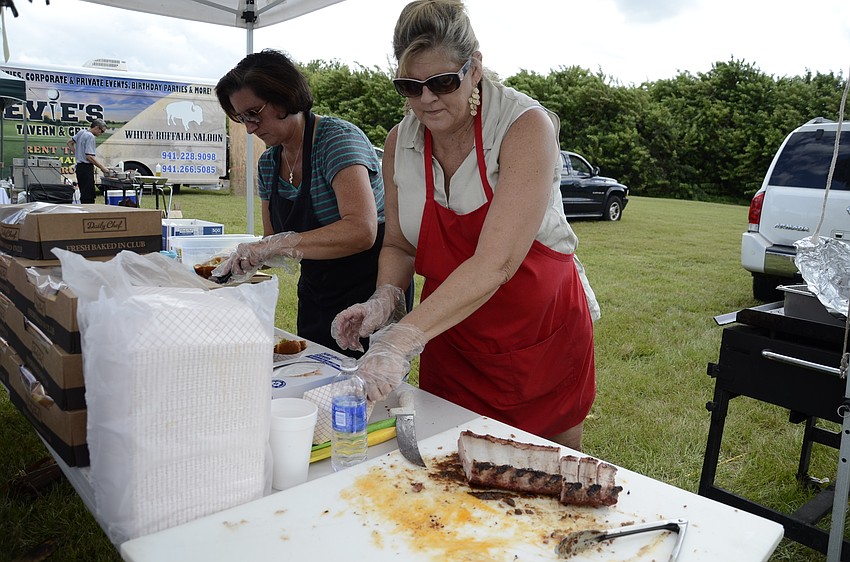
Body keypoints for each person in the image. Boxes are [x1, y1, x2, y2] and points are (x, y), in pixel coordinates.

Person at [331, 0, 600, 450]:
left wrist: (398, 340)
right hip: (449, 335)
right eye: (410, 87)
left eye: (441, 82)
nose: (426, 99)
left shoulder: (524, 126)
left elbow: (496, 263)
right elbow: (398, 244)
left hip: (536, 336)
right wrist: (386, 299)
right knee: (447, 472)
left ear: (474, 68)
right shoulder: (402, 140)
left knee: (546, 485)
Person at [214, 49, 401, 356]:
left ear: (283, 97)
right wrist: (246, 260)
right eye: (241, 118)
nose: (249, 127)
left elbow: (361, 230)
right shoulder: (268, 164)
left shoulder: (336, 141)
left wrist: (275, 245)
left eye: (253, 113)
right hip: (316, 294)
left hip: (367, 295)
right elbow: (273, 239)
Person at [67, 118, 110, 204]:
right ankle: (88, 213)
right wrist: (102, 168)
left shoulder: (81, 132)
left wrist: (77, 153)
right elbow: (89, 157)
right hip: (86, 168)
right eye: (101, 131)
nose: (101, 134)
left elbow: (69, 143)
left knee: (84, 192)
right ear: (97, 127)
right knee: (89, 195)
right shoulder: (90, 136)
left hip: (79, 167)